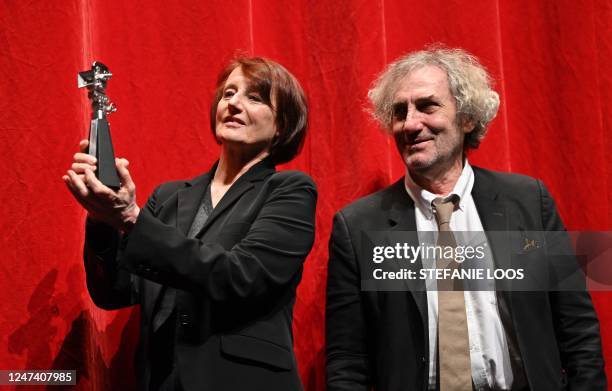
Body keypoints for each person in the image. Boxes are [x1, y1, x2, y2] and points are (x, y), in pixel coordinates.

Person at [325, 47, 606, 391]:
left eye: (427, 106)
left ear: (467, 117)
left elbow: (577, 327)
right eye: (400, 112)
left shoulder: (529, 201)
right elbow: (347, 361)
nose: (411, 124)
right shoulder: (358, 227)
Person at [63, 57, 316, 391]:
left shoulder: (289, 190)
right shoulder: (168, 197)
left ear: (282, 124)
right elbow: (115, 291)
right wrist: (102, 220)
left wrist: (131, 219)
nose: (234, 103)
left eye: (254, 97)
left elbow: (241, 276)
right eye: (228, 93)